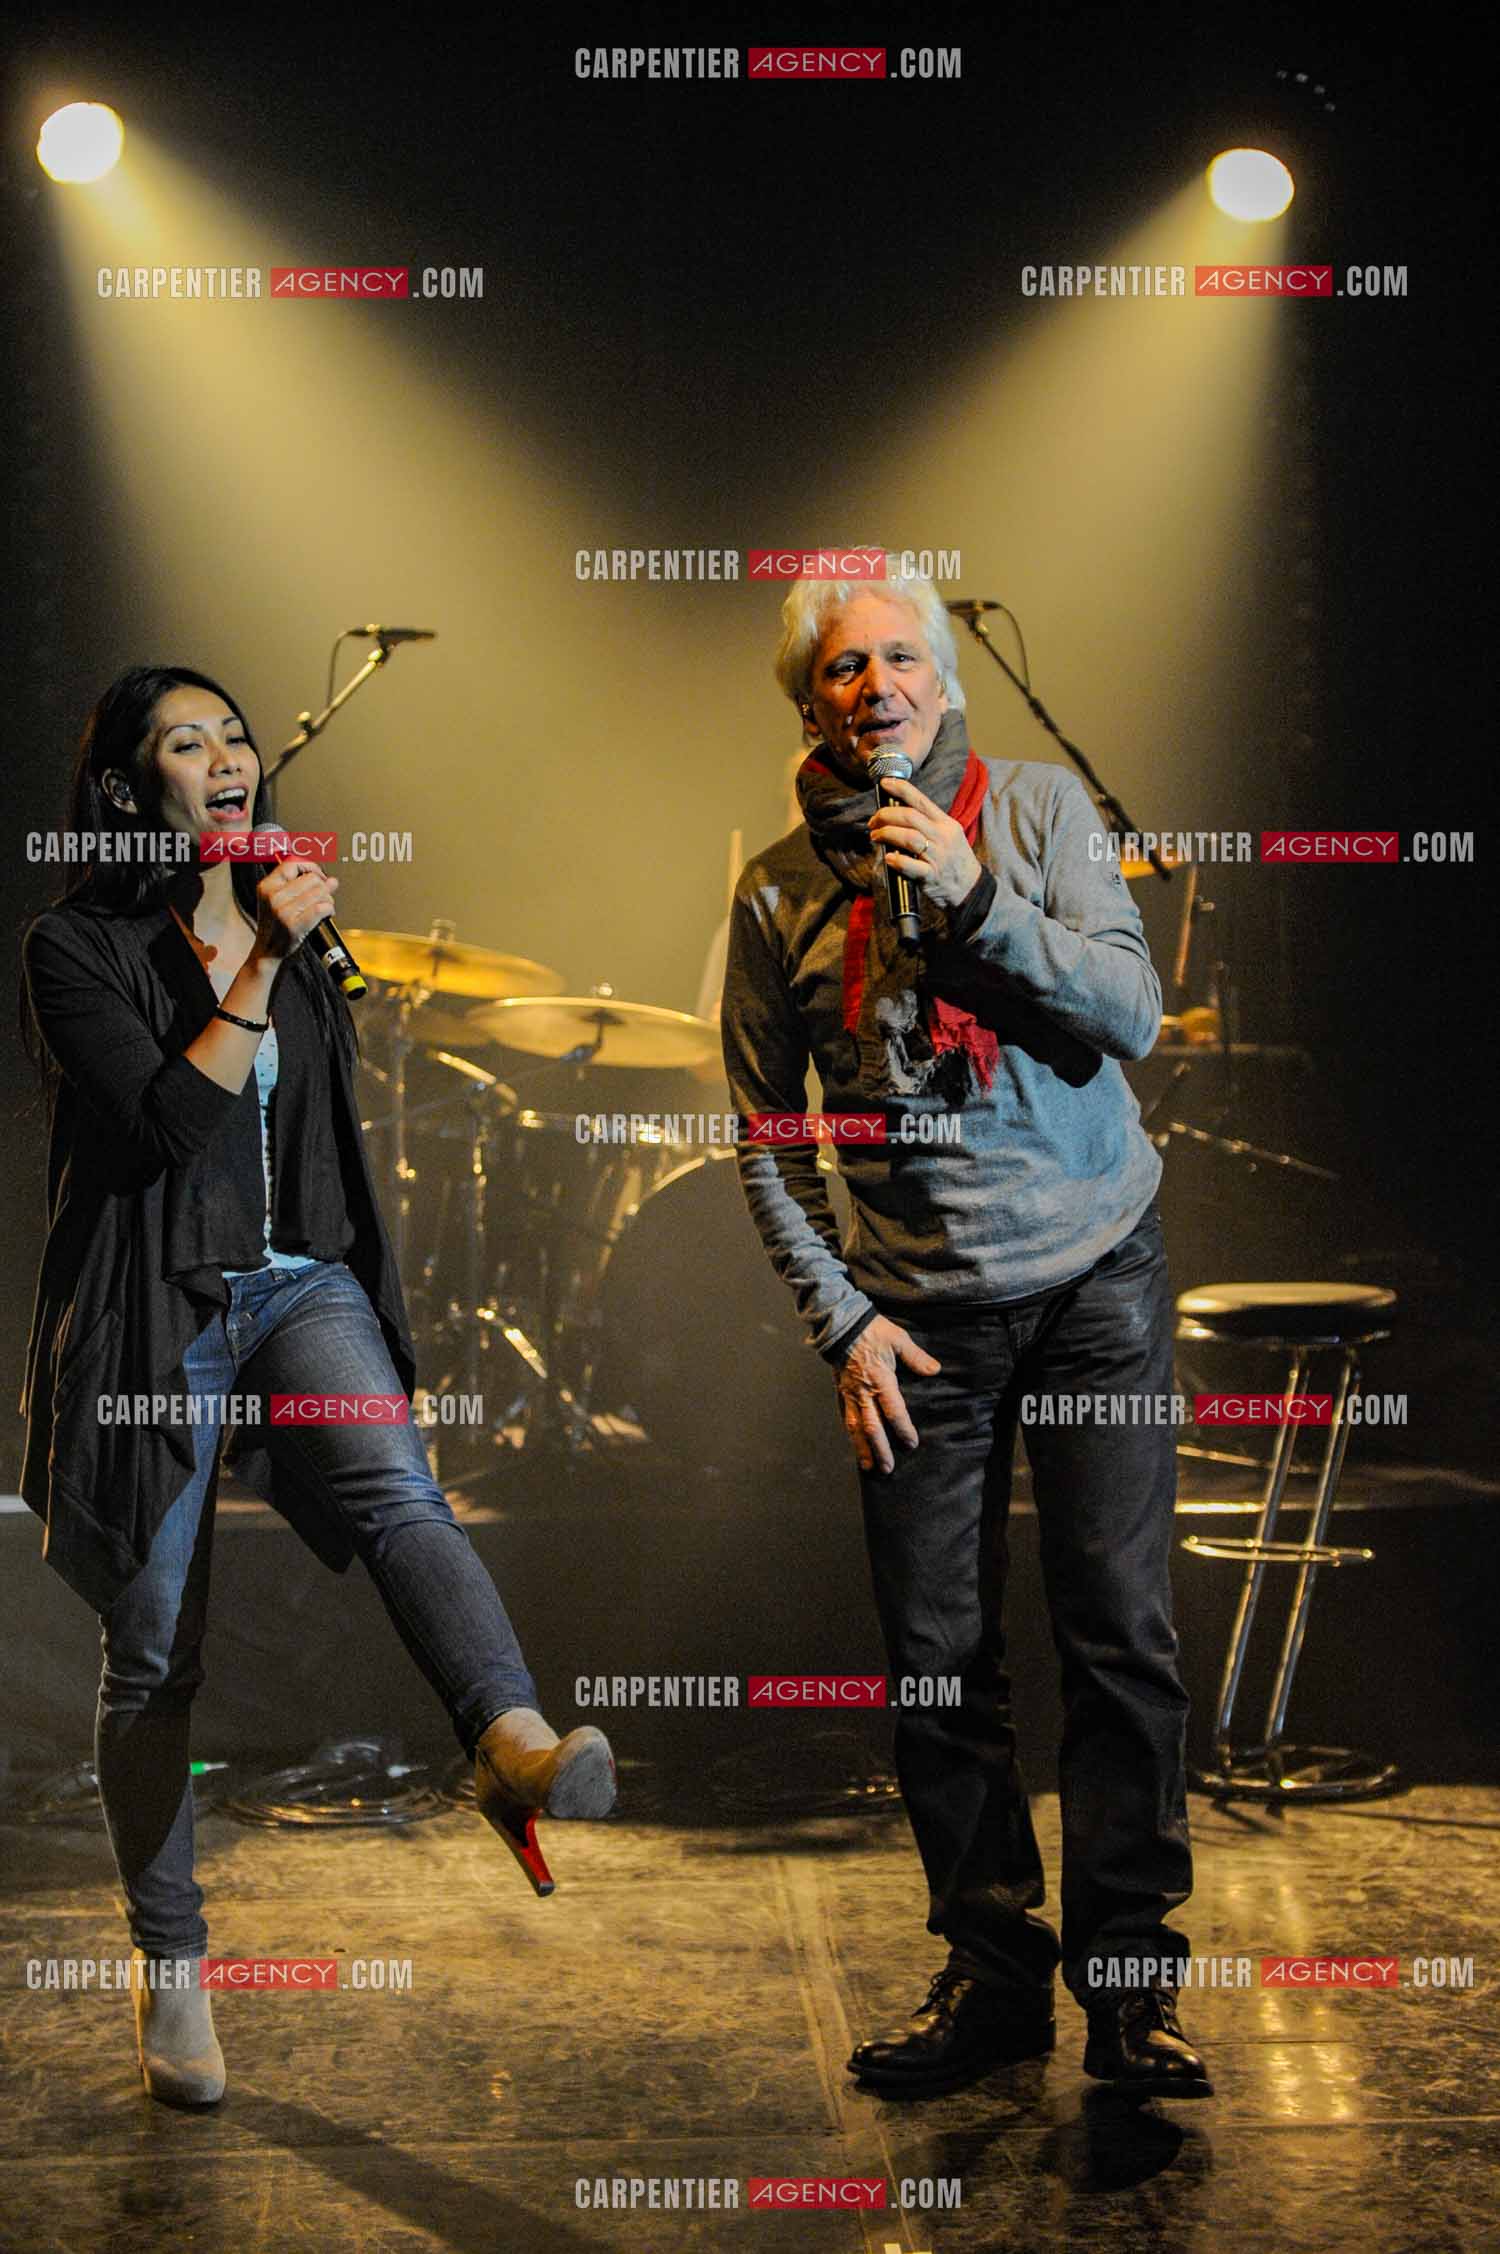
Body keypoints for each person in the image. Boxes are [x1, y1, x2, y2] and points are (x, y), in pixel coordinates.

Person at [17, 666, 616, 2109]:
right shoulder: (75, 947)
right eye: (187, 740)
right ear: (125, 784)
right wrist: (260, 961)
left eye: (236, 735)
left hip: (297, 1283)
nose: (228, 757)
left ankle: (513, 1742)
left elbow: (328, 1138)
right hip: (158, 1308)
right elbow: (167, 1124)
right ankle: (172, 1961)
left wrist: (352, 1267)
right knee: (156, 1651)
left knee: (404, 1490)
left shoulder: (298, 921)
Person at [719, 564, 1211, 2100]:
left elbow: (1131, 1013)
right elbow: (760, 1130)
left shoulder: (1043, 813)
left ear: (947, 679)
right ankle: (997, 1977)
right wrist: (840, 1317)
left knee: (1117, 1636)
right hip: (918, 1321)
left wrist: (980, 898)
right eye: (845, 669)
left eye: (901, 657)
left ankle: (1131, 1995)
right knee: (938, 1663)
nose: (879, 686)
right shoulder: (776, 891)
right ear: (812, 706)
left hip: (1094, 1283)